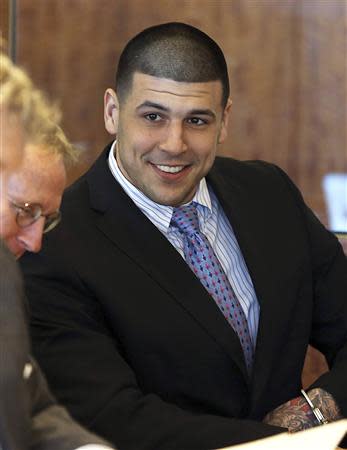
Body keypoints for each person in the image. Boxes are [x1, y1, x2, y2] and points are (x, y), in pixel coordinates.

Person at [20, 23, 347, 449]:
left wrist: (318, 410)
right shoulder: (55, 242)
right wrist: (282, 441)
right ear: (112, 112)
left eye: (197, 120)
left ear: (224, 120)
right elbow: (111, 417)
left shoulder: (270, 194)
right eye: (153, 116)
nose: (174, 144)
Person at [0, 51, 115, 450]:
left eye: (43, 218)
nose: (35, 243)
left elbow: (30, 404)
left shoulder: (4, 275)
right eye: (24, 212)